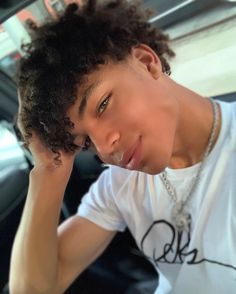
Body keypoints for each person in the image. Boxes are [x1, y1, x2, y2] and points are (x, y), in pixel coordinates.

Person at [9, 0, 236, 293]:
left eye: (103, 104)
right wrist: (47, 171)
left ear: (146, 61)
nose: (104, 148)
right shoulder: (120, 184)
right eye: (86, 142)